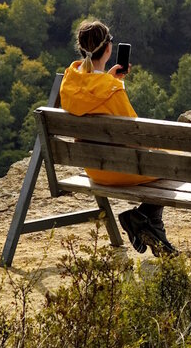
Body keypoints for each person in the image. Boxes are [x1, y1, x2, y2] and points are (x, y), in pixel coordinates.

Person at [58, 19, 176, 256]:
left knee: (167, 160)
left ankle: (151, 225)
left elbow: (94, 94)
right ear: (109, 49)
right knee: (175, 162)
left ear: (82, 49)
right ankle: (142, 217)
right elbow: (136, 137)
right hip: (120, 169)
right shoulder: (111, 90)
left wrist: (112, 81)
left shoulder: (69, 84)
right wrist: (113, 85)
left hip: (93, 169)